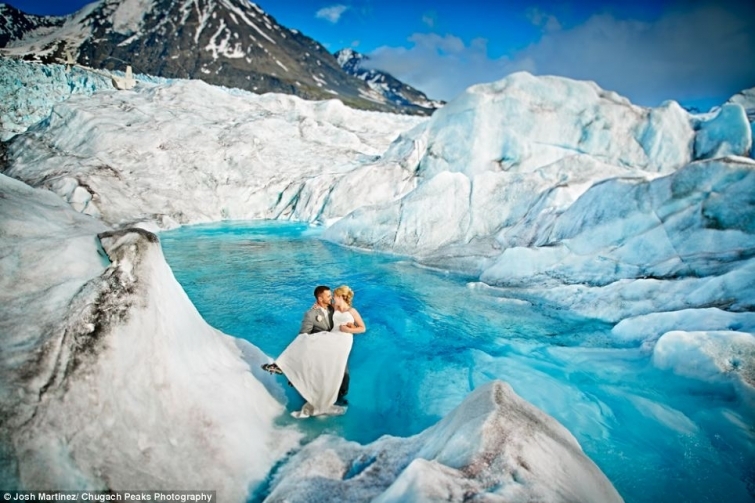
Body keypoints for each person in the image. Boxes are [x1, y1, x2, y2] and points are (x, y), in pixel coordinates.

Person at [262, 285, 366, 418]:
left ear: (341, 297)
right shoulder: (333, 308)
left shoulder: (352, 311)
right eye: (331, 296)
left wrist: (350, 329)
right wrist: (315, 308)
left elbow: (362, 328)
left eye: (334, 296)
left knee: (337, 368)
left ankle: (336, 395)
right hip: (333, 336)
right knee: (306, 342)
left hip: (343, 340)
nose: (332, 298)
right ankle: (285, 366)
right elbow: (322, 309)